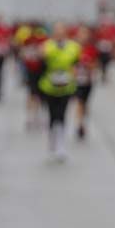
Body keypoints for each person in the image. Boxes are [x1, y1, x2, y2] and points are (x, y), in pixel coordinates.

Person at [38, 22, 81, 161]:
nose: (59, 33)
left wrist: (73, 75)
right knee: (52, 114)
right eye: (57, 31)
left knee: (62, 114)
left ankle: (61, 144)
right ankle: (52, 139)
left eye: (62, 31)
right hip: (50, 85)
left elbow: (76, 63)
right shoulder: (47, 46)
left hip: (66, 86)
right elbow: (42, 61)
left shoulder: (73, 47)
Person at [20, 23, 49, 130]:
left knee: (42, 95)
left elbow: (46, 54)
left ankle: (40, 116)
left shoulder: (44, 40)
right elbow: (22, 53)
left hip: (41, 71)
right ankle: (30, 117)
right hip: (31, 71)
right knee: (32, 94)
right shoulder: (27, 40)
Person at [73, 24, 99, 140]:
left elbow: (95, 65)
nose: (83, 36)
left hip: (87, 81)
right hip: (76, 81)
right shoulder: (73, 48)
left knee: (85, 103)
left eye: (85, 34)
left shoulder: (91, 49)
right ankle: (79, 125)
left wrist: (88, 65)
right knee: (79, 102)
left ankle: (83, 121)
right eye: (81, 33)